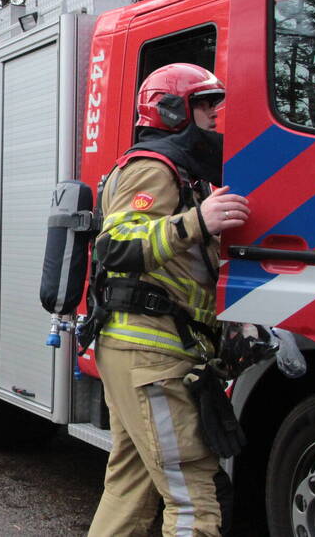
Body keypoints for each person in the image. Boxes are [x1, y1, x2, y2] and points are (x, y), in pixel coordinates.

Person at [87, 63, 250, 537]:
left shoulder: (180, 172)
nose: (215, 114)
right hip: (150, 355)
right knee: (194, 500)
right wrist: (198, 222)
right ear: (172, 110)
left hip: (147, 352)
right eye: (204, 103)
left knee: (130, 490)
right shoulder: (152, 167)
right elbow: (115, 245)